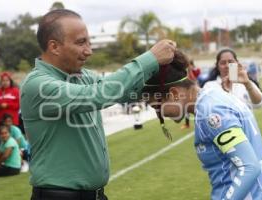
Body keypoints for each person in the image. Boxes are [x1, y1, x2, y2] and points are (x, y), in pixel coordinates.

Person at [20, 9, 176, 200]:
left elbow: (122, 92)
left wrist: (173, 82)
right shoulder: (38, 84)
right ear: (54, 47)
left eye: (89, 41)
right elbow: (99, 94)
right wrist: (150, 59)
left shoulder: (82, 76)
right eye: (80, 42)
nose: (89, 50)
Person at [141, 50, 262, 199]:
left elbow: (249, 167)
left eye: (157, 107)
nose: (160, 114)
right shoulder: (214, 96)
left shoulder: (211, 112)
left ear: (174, 94)